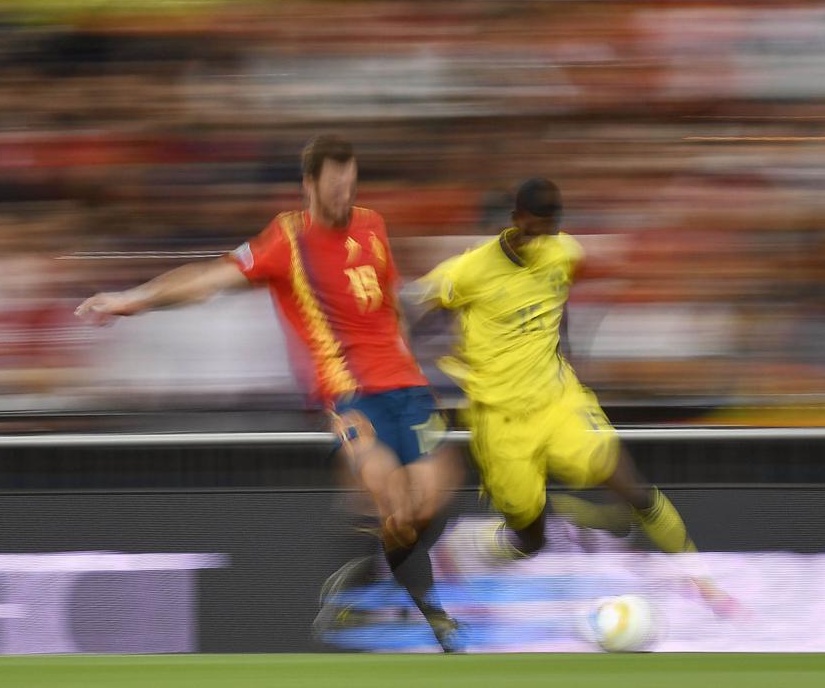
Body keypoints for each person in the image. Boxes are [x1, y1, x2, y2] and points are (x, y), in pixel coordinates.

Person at [77, 134, 466, 651]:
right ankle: (434, 617)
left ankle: (363, 583)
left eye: (350, 184)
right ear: (308, 185)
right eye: (333, 186)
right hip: (351, 396)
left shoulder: (374, 226)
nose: (343, 196)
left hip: (409, 391)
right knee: (392, 503)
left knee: (428, 503)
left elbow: (388, 305)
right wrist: (133, 300)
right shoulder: (286, 240)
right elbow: (207, 279)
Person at [407, 178, 732, 611]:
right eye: (535, 227)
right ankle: (473, 544)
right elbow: (410, 312)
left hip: (559, 401)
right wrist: (421, 365)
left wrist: (570, 362)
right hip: (499, 421)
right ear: (516, 219)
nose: (542, 237)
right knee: (530, 539)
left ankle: (703, 580)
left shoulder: (564, 252)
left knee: (630, 486)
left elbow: (557, 308)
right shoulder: (465, 272)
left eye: (550, 228)